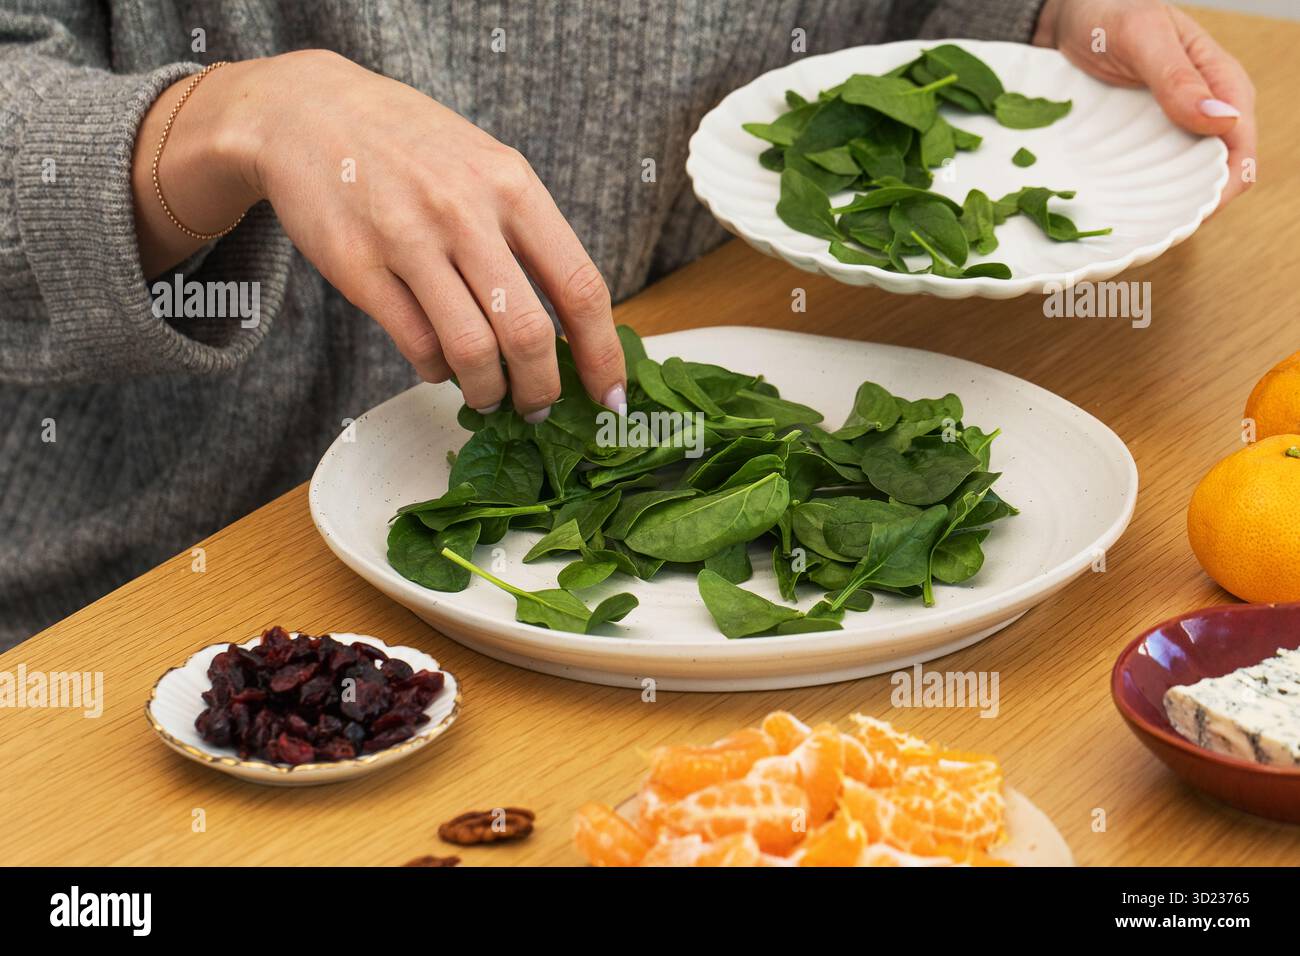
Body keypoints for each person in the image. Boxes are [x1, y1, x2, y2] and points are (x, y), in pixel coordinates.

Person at [0, 0, 1255, 649]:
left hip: (672, 532)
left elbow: (892, 28)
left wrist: (1043, 29)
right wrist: (234, 118)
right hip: (165, 587)